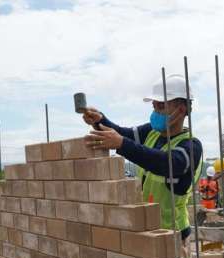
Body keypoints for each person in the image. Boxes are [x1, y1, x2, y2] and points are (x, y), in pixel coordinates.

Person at [82, 74, 202, 242]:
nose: (155, 113)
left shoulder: (191, 146)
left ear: (181, 109)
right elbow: (123, 134)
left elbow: (166, 163)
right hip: (149, 226)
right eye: (154, 107)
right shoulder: (152, 132)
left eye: (160, 106)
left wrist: (122, 144)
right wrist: (100, 120)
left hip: (174, 233)